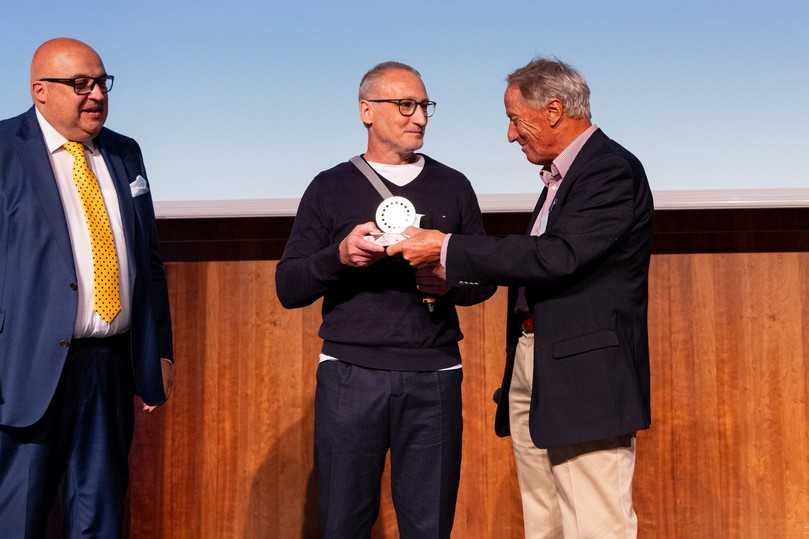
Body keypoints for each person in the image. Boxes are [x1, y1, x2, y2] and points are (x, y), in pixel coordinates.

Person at [389, 57, 653, 538]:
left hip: (585, 380)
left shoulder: (609, 171)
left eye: (515, 119)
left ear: (554, 110)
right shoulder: (560, 178)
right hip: (538, 368)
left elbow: (559, 256)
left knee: (596, 524)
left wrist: (447, 246)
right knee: (544, 523)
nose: (511, 135)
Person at [276, 61, 495, 538]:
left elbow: (485, 281)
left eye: (423, 106)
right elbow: (289, 286)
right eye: (405, 105)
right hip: (351, 376)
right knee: (344, 520)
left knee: (428, 523)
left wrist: (449, 279)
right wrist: (338, 257)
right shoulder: (330, 186)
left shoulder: (453, 185)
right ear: (366, 111)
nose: (418, 117)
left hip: (434, 376)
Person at [0, 38, 174, 537]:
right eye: (80, 84)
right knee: (19, 521)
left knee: (100, 518)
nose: (96, 94)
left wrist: (157, 353)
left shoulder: (125, 152)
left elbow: (149, 262)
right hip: (24, 370)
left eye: (101, 82)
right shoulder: (4, 152)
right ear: (40, 91)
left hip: (109, 367)